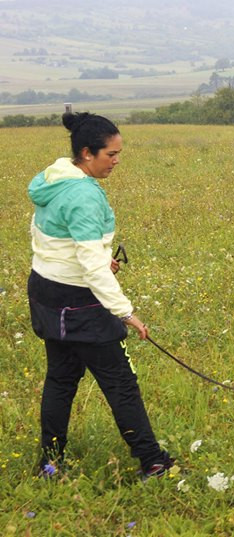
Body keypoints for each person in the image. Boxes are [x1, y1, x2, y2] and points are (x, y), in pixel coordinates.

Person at [27, 111, 175, 480]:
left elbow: (51, 238)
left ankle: (50, 463)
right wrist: (125, 312)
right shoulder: (84, 195)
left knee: (60, 379)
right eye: (111, 154)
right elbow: (92, 268)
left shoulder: (54, 179)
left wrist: (97, 259)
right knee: (120, 382)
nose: (116, 161)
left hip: (46, 291)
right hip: (81, 301)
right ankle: (152, 461)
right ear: (87, 153)